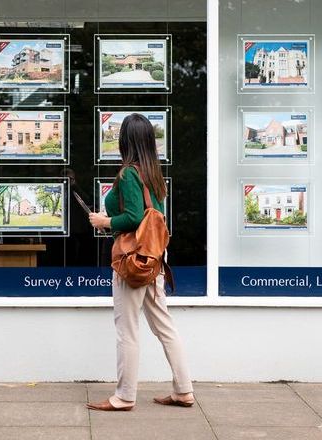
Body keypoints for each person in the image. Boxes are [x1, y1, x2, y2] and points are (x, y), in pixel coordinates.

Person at [86, 113, 194, 411]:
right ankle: (184, 390)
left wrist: (104, 221)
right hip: (155, 258)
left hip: (133, 261)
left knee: (127, 330)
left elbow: (134, 217)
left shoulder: (129, 174)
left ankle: (124, 396)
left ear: (124, 141)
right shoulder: (153, 173)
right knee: (164, 326)